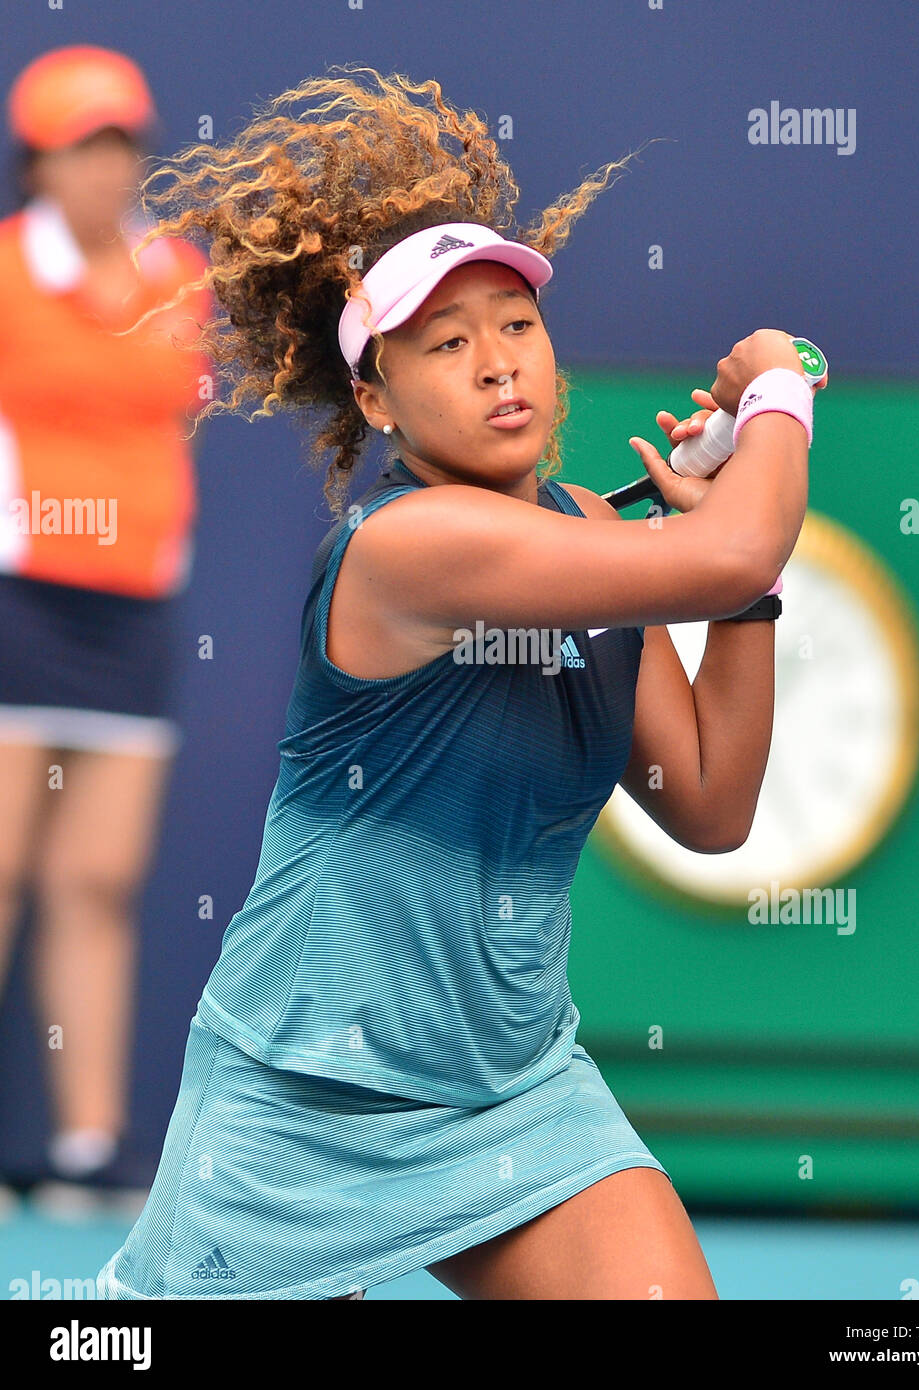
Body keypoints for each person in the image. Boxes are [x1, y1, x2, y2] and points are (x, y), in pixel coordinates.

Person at [97, 65, 810, 1300]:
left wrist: (738, 595)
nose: (498, 364)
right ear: (374, 396)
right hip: (297, 1099)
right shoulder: (407, 548)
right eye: (448, 342)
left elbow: (709, 802)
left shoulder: (592, 536)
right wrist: (781, 392)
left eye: (518, 327)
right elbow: (731, 543)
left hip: (515, 1094)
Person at [0, 45, 211, 1196]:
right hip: (15, 605)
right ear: (37, 161)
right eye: (82, 145)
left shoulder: (177, 277)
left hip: (132, 614)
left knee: (101, 883)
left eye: (120, 143)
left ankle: (86, 1151)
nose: (104, 167)